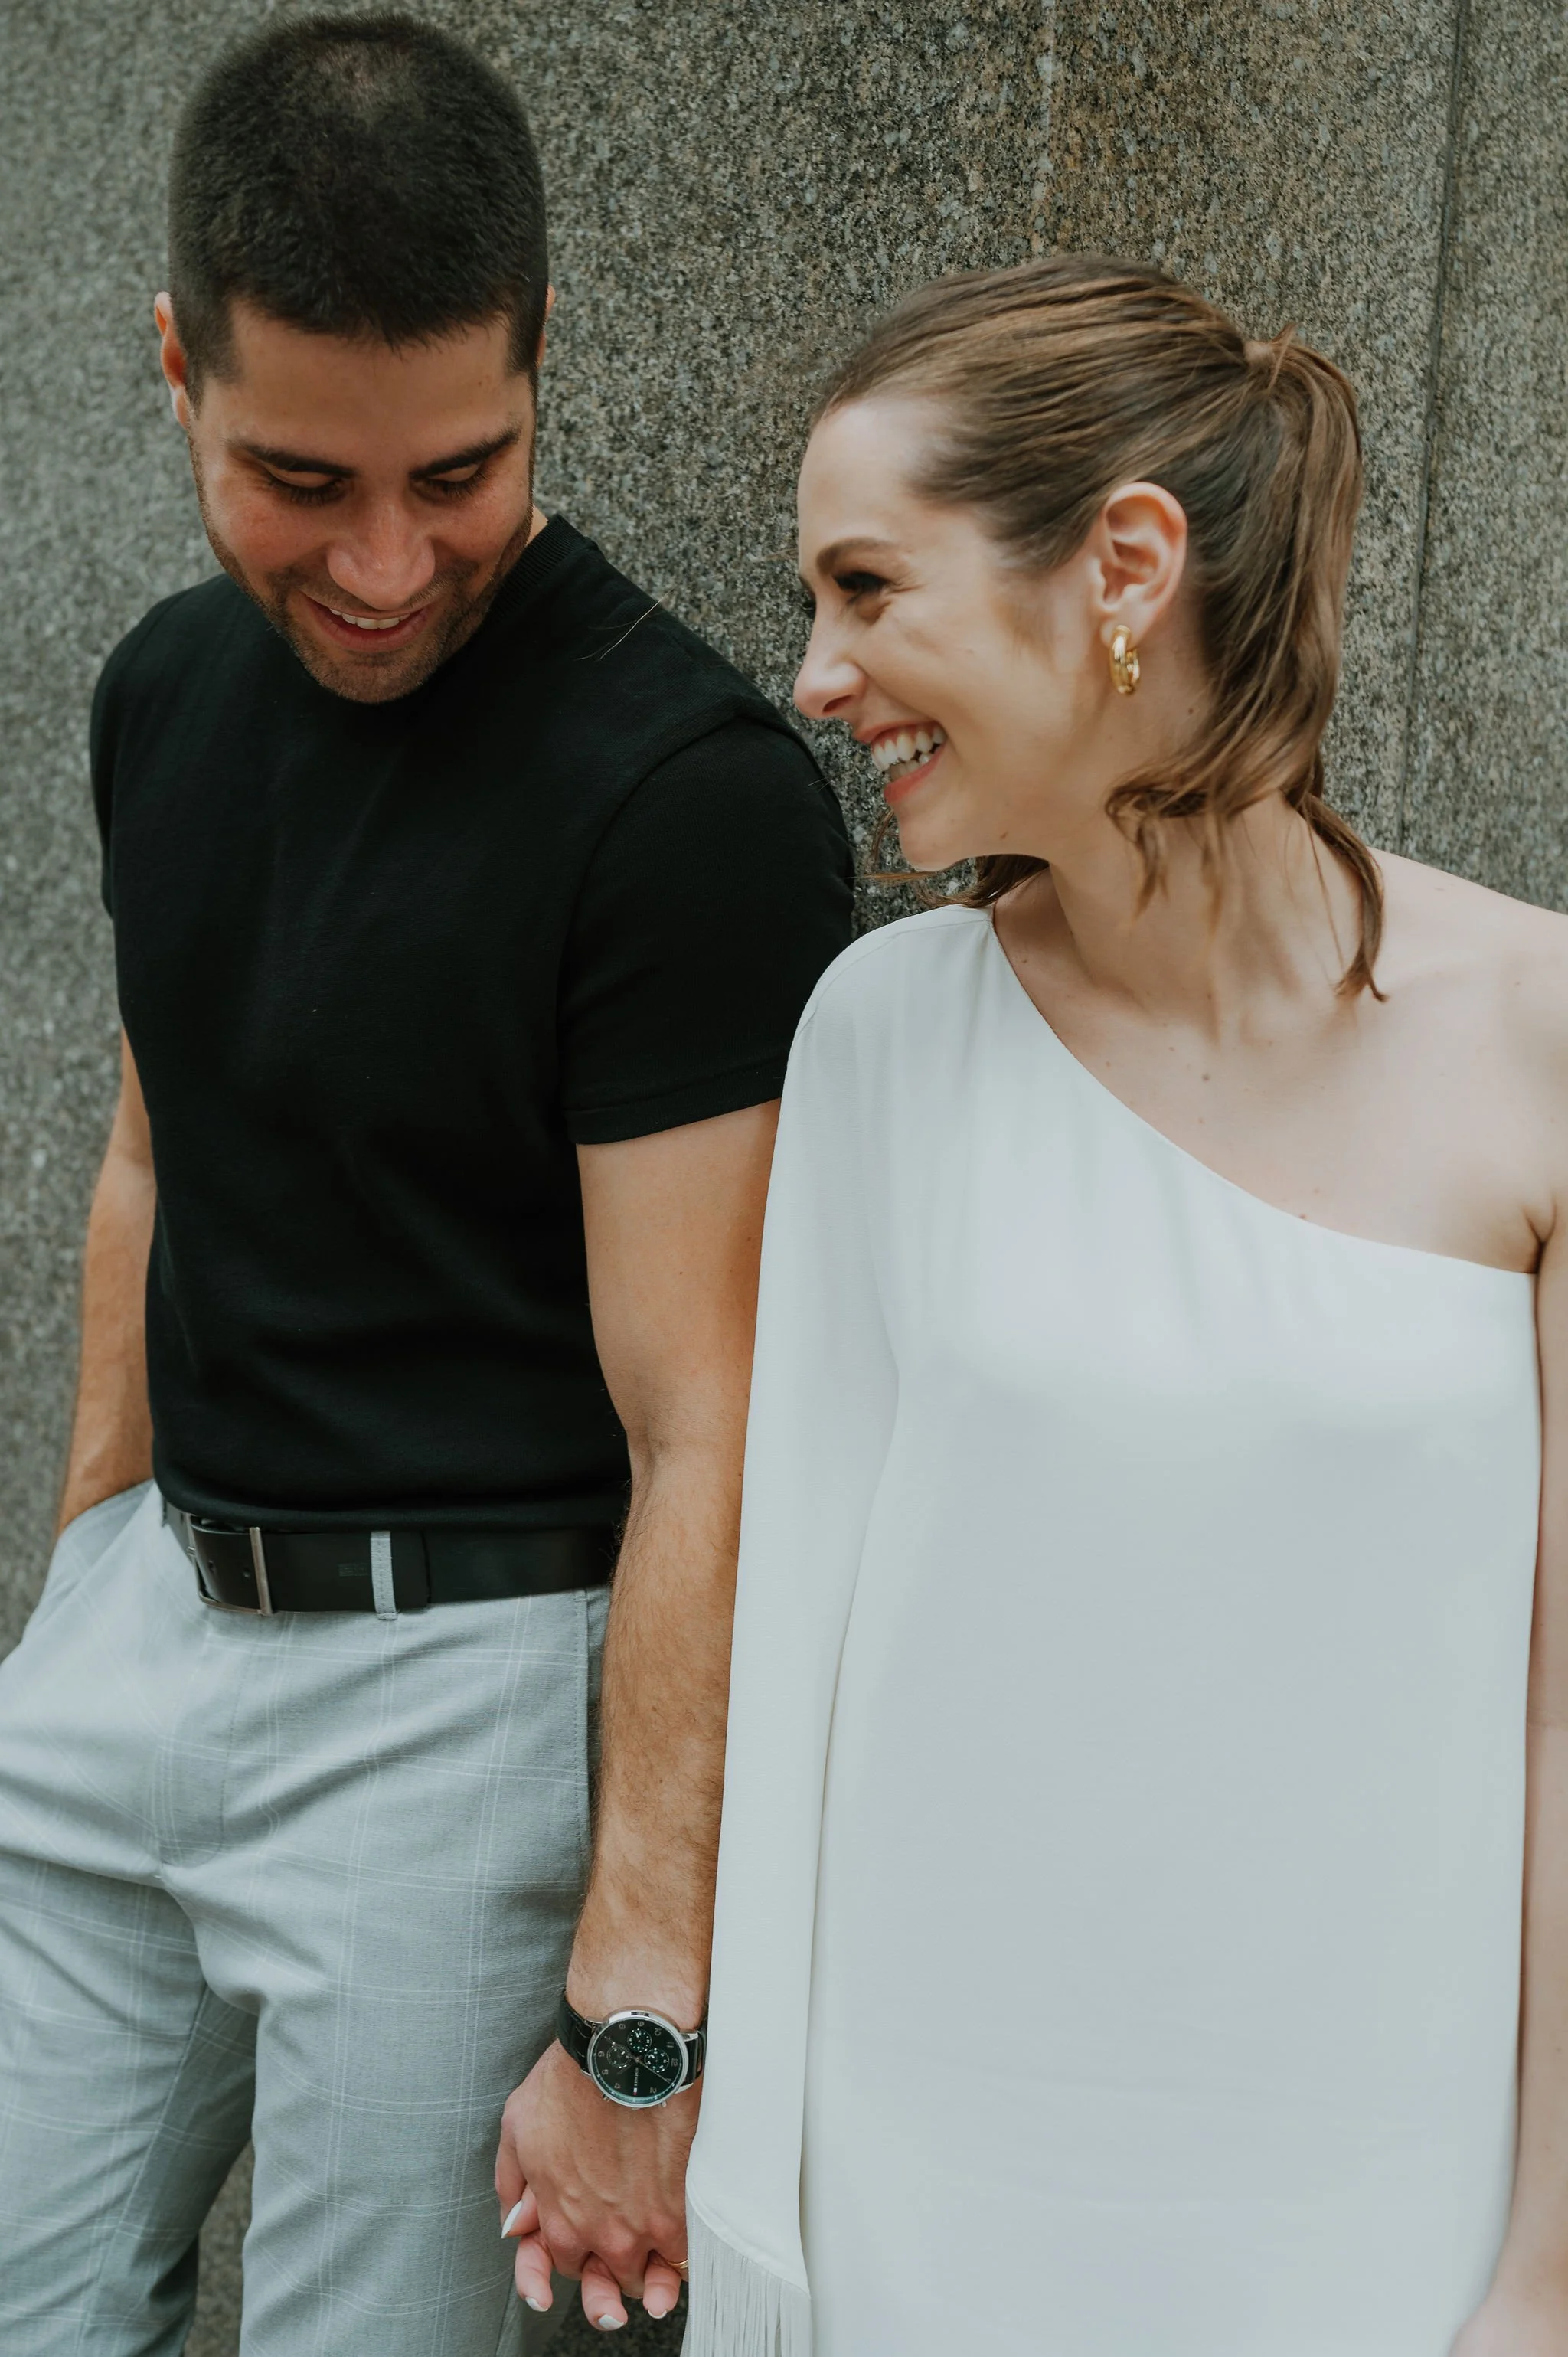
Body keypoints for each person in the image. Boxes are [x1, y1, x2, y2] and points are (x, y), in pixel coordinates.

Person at [0, 16, 851, 2355]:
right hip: (133, 1644)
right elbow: (156, 1143)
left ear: (544, 354)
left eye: (459, 471)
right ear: (171, 363)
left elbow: (714, 1411)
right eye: (299, 478)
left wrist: (636, 1995)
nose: (385, 564)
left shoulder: (682, 793)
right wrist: (84, 1566)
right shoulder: (162, 690)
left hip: (454, 1709)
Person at [684, 256, 1568, 2357]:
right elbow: (791, 1634)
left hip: (1384, 2192)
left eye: (867, 587)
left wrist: (1549, 2267)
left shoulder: (1543, 1032)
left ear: (1128, 568)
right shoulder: (883, 1033)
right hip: (935, 2187)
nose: (815, 674)